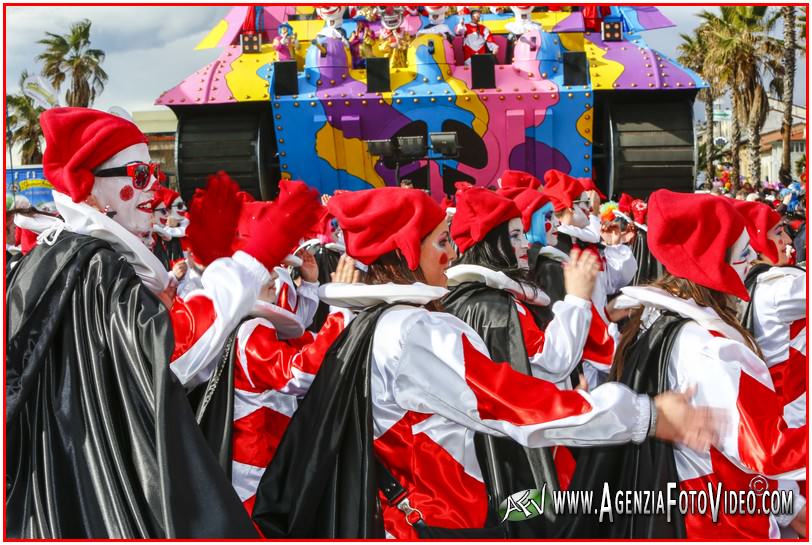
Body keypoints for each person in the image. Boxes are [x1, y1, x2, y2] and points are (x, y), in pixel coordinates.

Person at [251, 187, 719, 539]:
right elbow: (517, 402)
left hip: (435, 508)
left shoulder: (377, 320)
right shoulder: (411, 330)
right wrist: (647, 415)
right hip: (449, 516)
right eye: (438, 242)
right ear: (405, 249)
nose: (450, 253)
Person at [6, 108, 311, 538]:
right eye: (139, 174)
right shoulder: (96, 267)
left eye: (154, 172)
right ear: (92, 191)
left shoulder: (61, 257)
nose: (156, 191)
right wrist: (249, 263)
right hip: (87, 478)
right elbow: (169, 353)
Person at [565, 190, 806, 539]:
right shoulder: (710, 348)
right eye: (743, 253)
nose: (753, 258)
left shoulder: (656, 321)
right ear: (713, 263)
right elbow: (768, 450)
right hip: (722, 522)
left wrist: (790, 506)